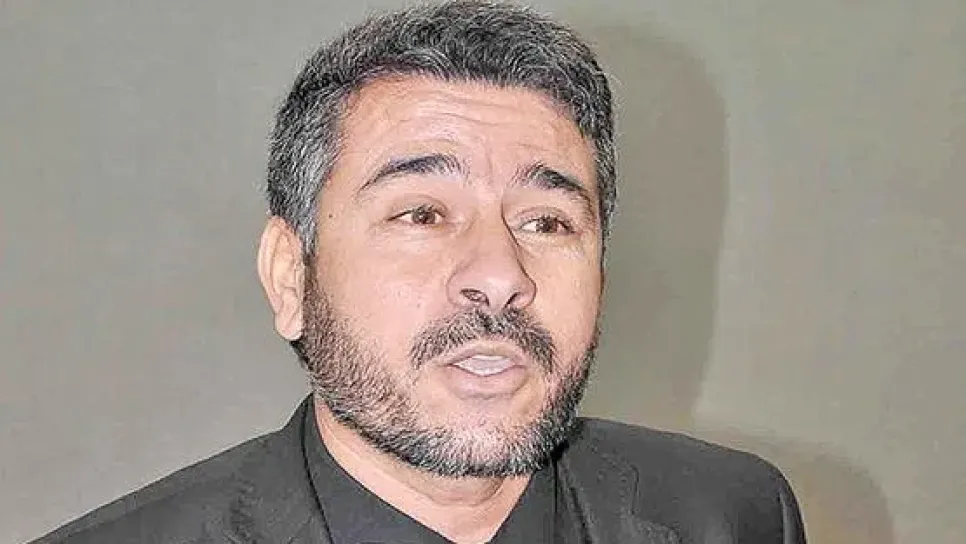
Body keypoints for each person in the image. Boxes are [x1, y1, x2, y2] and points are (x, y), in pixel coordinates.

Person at [32, 1, 805, 543]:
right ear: (290, 278)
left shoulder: (733, 515)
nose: (499, 276)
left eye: (546, 222)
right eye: (422, 215)